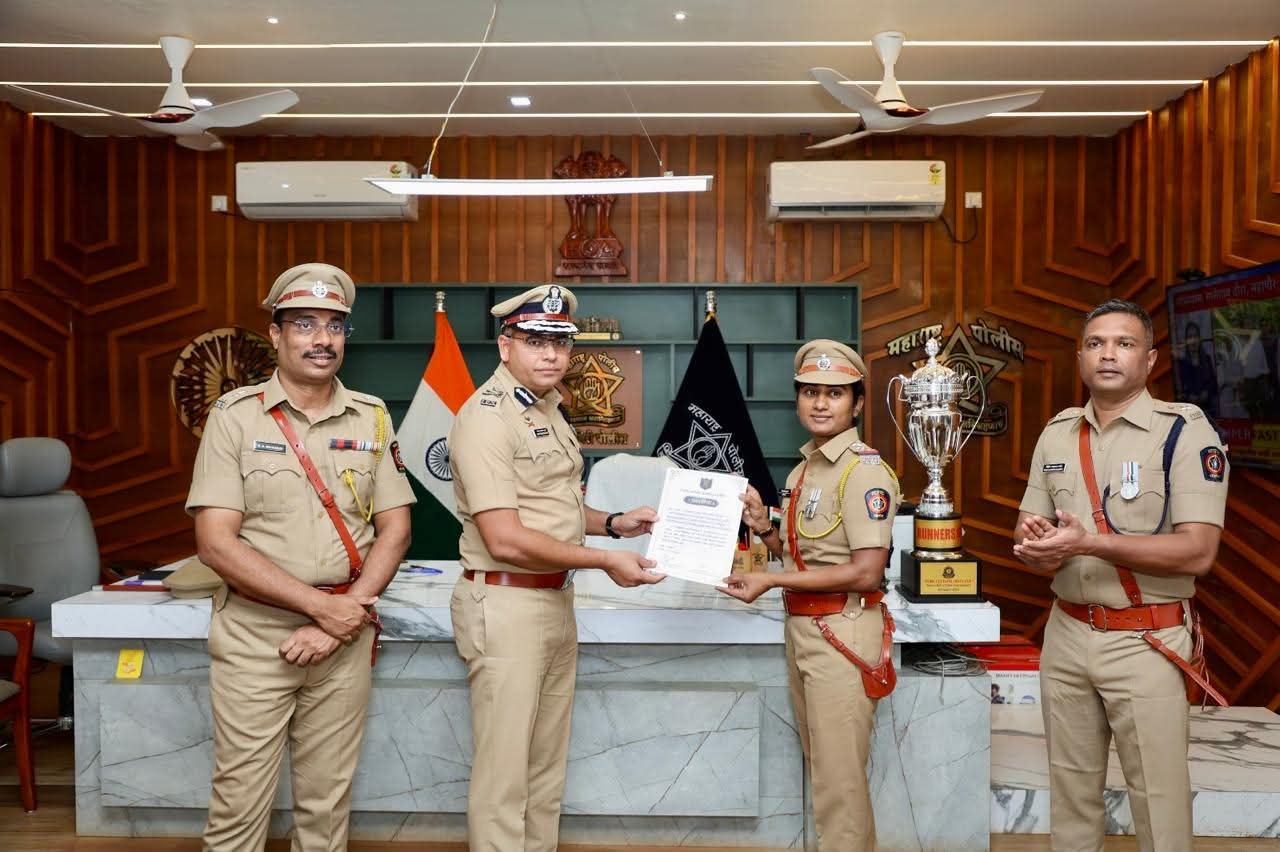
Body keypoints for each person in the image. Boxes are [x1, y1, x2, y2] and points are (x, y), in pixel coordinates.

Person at [187, 262, 415, 851]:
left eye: (335, 326)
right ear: (277, 334)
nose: (322, 339)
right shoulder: (234, 417)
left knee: (326, 807)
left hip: (343, 638)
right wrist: (322, 609)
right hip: (256, 636)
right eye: (305, 324)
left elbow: (395, 529)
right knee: (240, 804)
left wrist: (345, 613)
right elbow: (215, 542)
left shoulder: (371, 415)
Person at [447, 284, 665, 852]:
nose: (550, 354)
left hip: (551, 599)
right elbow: (505, 538)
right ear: (505, 346)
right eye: (535, 340)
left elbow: (553, 510)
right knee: (504, 776)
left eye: (560, 342)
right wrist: (605, 561)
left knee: (544, 769)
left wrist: (613, 523)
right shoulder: (487, 418)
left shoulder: (546, 408)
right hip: (506, 602)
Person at [1014, 299, 1229, 852]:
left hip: (1146, 640)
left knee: (1158, 799)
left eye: (1124, 344)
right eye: (1096, 343)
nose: (1108, 354)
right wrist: (1039, 551)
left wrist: (1088, 542)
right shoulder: (1058, 433)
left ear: (1149, 360)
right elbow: (1028, 529)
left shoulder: (1184, 432)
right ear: (1080, 357)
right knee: (1071, 793)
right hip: (1066, 633)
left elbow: (1198, 552)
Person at [720, 339, 900, 852]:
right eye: (810, 392)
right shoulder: (806, 470)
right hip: (806, 631)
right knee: (826, 774)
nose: (821, 403)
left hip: (843, 631)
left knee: (839, 785)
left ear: (857, 404)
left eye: (835, 394)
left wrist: (772, 581)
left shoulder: (863, 471)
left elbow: (866, 572)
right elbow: (804, 559)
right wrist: (765, 527)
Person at [1174, 320, 1218, 419]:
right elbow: (1180, 390)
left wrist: (1206, 392)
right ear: (1186, 340)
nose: (1193, 340)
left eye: (1195, 336)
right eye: (1190, 337)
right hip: (1190, 413)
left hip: (1208, 410)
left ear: (1199, 339)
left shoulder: (1206, 359)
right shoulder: (1182, 364)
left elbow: (1213, 383)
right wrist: (1189, 396)